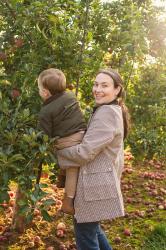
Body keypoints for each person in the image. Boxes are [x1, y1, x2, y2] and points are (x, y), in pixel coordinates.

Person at [56, 68, 130, 250]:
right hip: (96, 183)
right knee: (92, 230)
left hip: (92, 186)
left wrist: (58, 152)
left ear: (117, 89)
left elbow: (84, 153)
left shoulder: (107, 113)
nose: (98, 89)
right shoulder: (110, 109)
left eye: (104, 85)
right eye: (96, 84)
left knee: (86, 238)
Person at [37, 68, 86, 215]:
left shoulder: (46, 111)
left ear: (45, 92)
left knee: (73, 169)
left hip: (66, 142)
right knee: (71, 162)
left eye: (39, 89)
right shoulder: (71, 96)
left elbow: (44, 135)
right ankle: (61, 177)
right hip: (82, 134)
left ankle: (68, 202)